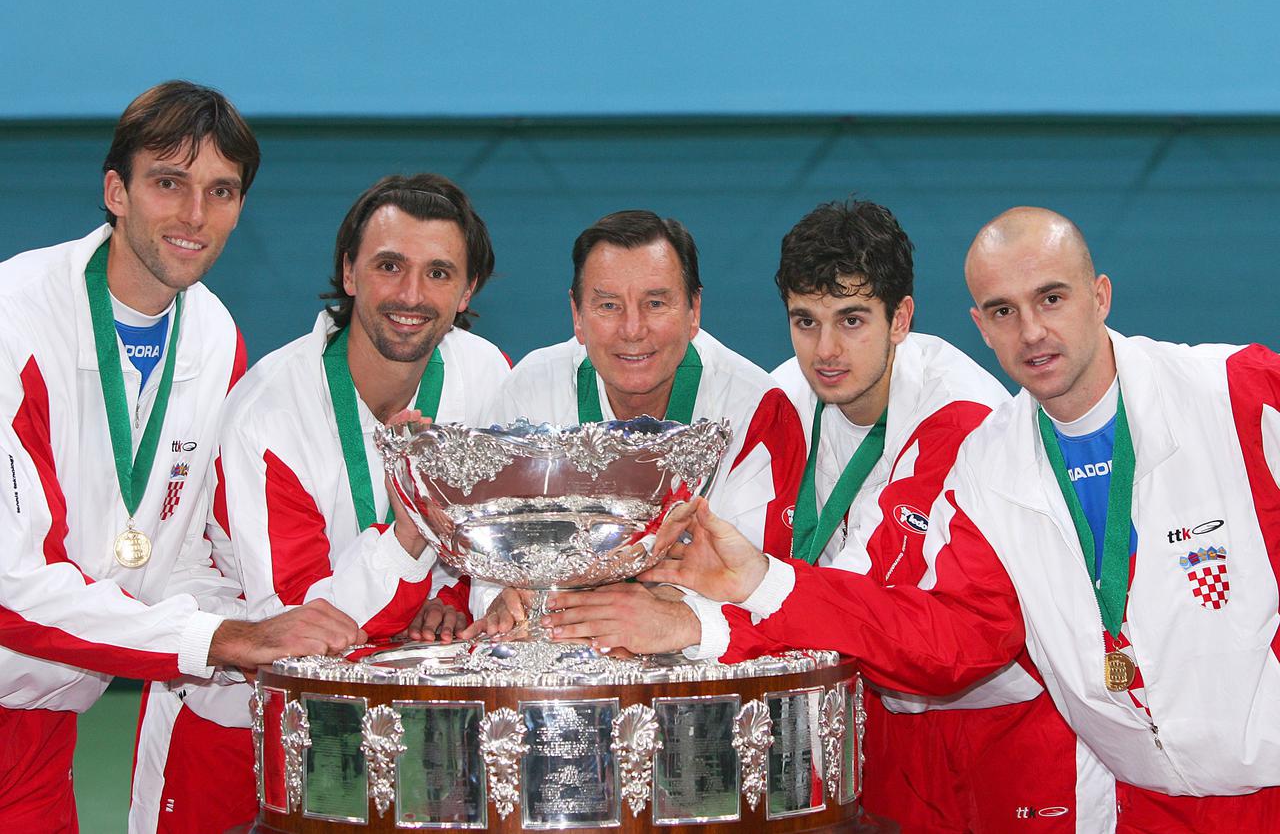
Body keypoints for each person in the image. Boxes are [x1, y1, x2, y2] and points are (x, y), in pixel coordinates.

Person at [644, 206, 1280, 832]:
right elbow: (957, 639)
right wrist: (757, 584)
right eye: (1004, 311)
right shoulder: (989, 462)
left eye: (1051, 299)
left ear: (1100, 295)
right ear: (980, 323)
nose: (1031, 331)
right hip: (1144, 801)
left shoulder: (1236, 392)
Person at [547, 198, 1092, 830]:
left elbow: (876, 609)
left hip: (997, 732)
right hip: (859, 719)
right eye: (806, 321)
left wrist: (699, 626)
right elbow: (742, 562)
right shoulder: (785, 397)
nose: (826, 350)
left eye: (852, 319)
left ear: (901, 318)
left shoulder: (962, 419)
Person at [0, 80, 364, 832]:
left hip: (43, 723)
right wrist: (224, 639)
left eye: (221, 191)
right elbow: (9, 587)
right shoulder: (15, 317)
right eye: (169, 183)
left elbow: (187, 552)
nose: (195, 216)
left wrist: (294, 634)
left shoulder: (213, 336)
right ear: (117, 191)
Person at [129, 173, 510, 832]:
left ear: (467, 288)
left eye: (439, 272)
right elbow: (299, 634)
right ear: (350, 272)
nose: (412, 294)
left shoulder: (488, 376)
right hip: (234, 718)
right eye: (389, 265)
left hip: (405, 722)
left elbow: (494, 546)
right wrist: (413, 529)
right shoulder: (269, 411)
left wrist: (451, 600)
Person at [469, 209, 805, 648]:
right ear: (576, 314)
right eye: (608, 305)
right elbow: (487, 562)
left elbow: (758, 584)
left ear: (693, 310)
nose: (633, 330)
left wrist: (659, 611)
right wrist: (501, 598)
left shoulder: (755, 408)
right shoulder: (527, 394)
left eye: (656, 303)